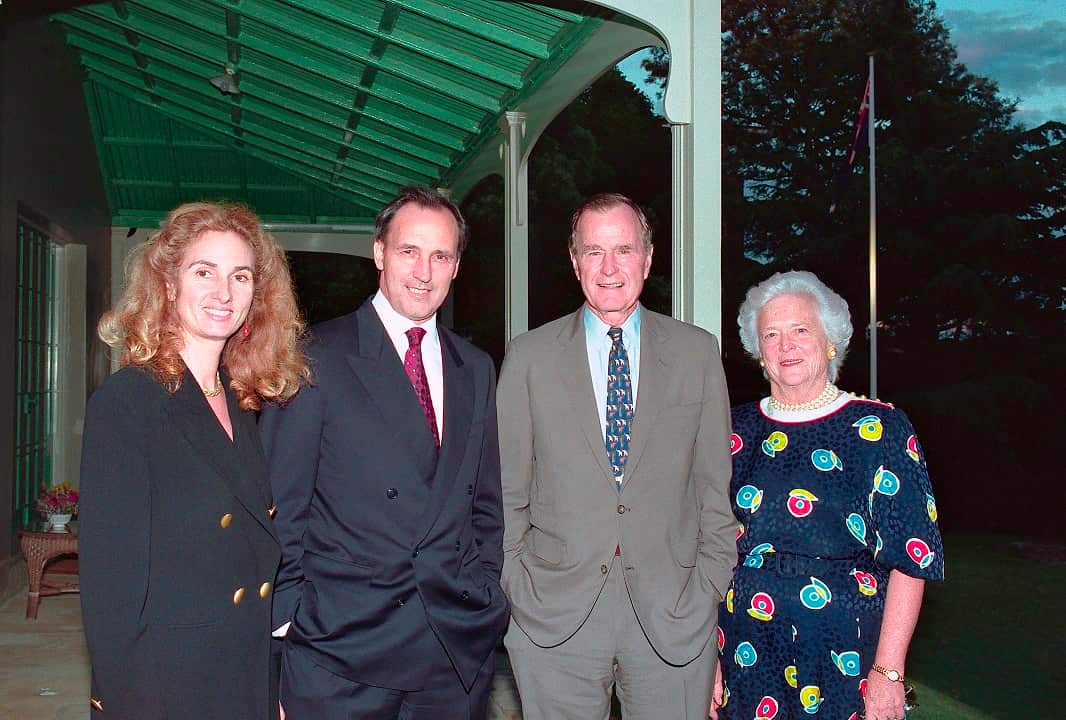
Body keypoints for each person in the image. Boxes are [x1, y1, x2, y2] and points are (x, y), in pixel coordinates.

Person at [260, 187, 508, 720]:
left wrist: (485, 591)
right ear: (379, 253)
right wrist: (287, 622)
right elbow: (279, 502)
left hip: (451, 653)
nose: (424, 271)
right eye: (408, 251)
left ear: (456, 267)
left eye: (440, 256)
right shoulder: (314, 356)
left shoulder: (475, 368)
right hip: (342, 652)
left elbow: (486, 505)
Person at [497, 193, 736, 719]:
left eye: (624, 250)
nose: (609, 268)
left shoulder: (696, 352)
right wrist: (519, 585)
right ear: (574, 261)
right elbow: (508, 492)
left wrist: (707, 589)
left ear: (647, 259)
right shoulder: (529, 358)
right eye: (594, 251)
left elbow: (713, 489)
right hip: (554, 617)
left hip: (674, 613)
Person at [79, 201, 310, 719]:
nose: (224, 292)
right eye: (204, 271)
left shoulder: (239, 400)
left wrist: (267, 689)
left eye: (241, 276)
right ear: (167, 284)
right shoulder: (128, 401)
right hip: (168, 684)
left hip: (238, 671)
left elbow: (253, 559)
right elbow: (110, 589)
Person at [710, 270, 944, 720]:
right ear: (759, 352)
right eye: (771, 335)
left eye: (801, 330)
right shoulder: (731, 430)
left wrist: (888, 671)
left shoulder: (879, 428)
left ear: (830, 341)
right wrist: (706, 661)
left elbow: (912, 559)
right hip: (744, 651)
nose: (786, 345)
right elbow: (704, 549)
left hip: (846, 653)